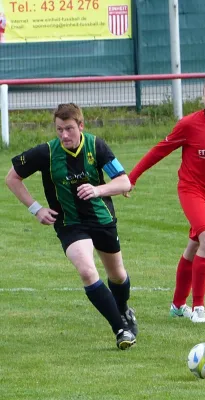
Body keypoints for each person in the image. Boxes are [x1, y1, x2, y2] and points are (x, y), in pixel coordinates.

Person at [5, 103, 138, 350]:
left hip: (101, 219)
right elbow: (12, 177)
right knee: (87, 271)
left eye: (68, 129)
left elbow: (124, 182)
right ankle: (120, 329)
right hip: (69, 224)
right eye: (59, 130)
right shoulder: (46, 152)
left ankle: (123, 311)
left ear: (81, 126)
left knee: (117, 275)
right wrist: (36, 208)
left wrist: (98, 189)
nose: (64, 135)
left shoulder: (96, 146)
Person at [127, 78, 205, 323]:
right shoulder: (189, 124)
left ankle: (178, 306)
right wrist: (133, 177)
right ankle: (198, 307)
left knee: (195, 246)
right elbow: (160, 150)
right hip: (191, 190)